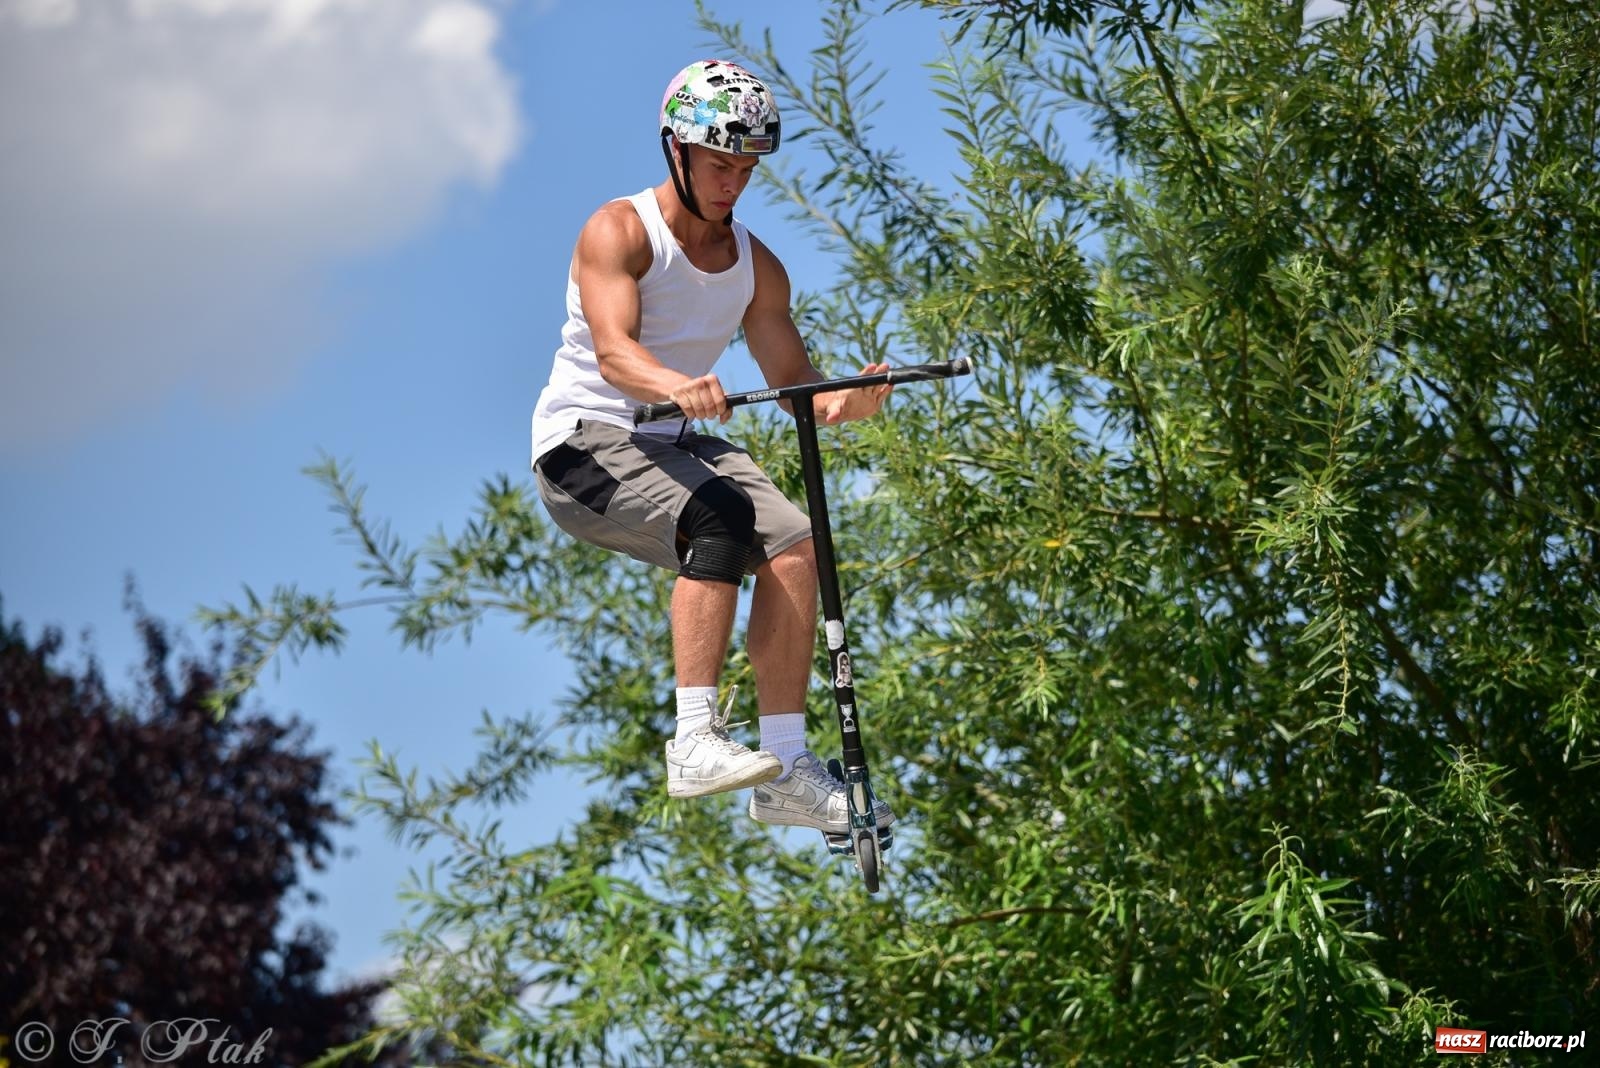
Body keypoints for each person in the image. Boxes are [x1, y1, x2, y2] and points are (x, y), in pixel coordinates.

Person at [530, 59, 894, 835]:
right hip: (582, 447)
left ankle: (786, 770)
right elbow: (614, 355)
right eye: (720, 163)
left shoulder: (757, 270)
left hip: (669, 441)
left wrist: (847, 402)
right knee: (722, 517)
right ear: (677, 150)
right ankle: (694, 739)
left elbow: (798, 383)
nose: (733, 182)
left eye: (746, 168)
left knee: (795, 547)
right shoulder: (621, 231)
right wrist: (674, 382)